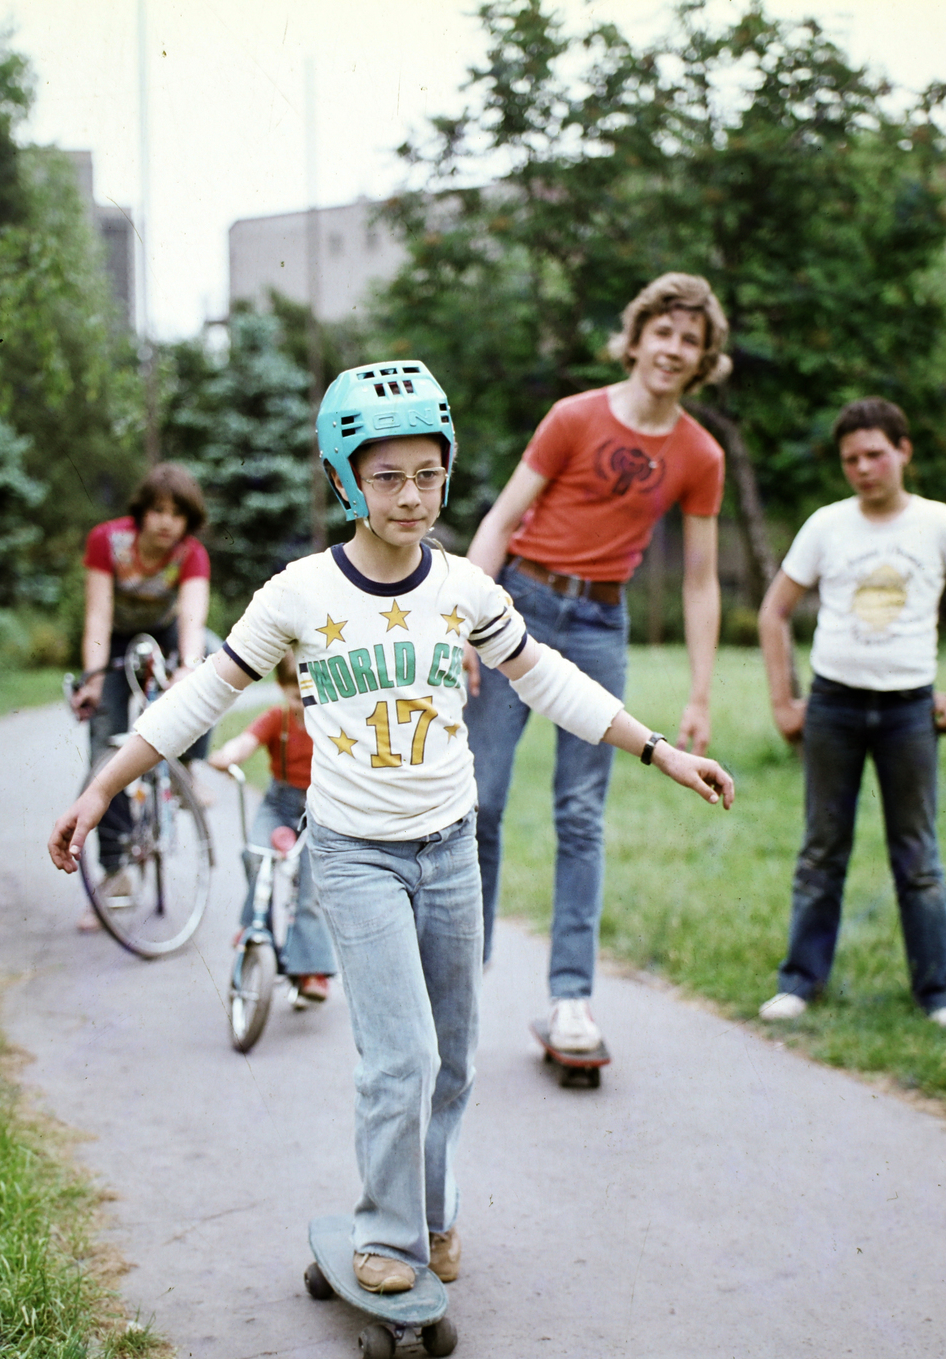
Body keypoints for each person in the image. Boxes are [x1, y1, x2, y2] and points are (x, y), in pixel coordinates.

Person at [48, 361, 734, 1295]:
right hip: (355, 854)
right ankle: (383, 1228)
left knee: (452, 1058)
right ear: (345, 481)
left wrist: (657, 748)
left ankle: (435, 1216)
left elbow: (549, 680)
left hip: (451, 852)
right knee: (399, 1057)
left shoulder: (464, 588)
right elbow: (203, 690)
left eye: (428, 474)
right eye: (387, 477)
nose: (412, 497)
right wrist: (103, 786)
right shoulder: (299, 595)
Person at [464, 272, 731, 1056]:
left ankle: (571, 1002)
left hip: (599, 623)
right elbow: (502, 517)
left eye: (691, 340)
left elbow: (701, 580)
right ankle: (462, 984)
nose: (673, 350)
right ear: (638, 336)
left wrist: (702, 692)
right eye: (664, 332)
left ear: (702, 357)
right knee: (480, 800)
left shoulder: (699, 454)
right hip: (519, 605)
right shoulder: (573, 416)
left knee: (581, 815)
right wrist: (465, 624)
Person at [756, 397, 946, 1030]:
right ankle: (800, 982)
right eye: (851, 459)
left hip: (908, 711)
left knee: (917, 857)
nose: (864, 468)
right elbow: (774, 611)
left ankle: (940, 996)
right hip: (834, 705)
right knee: (821, 850)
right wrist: (784, 702)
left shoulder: (939, 524)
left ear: (903, 451)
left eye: (875, 454)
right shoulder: (827, 525)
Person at [71, 462, 213, 930]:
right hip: (115, 638)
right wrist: (93, 677)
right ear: (142, 512)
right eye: (157, 510)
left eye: (177, 513)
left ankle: (188, 764)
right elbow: (98, 613)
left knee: (211, 656)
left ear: (188, 520)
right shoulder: (107, 542)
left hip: (166, 633)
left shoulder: (191, 554)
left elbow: (192, 615)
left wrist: (188, 667)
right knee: (104, 752)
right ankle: (115, 873)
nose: (166, 521)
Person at [207, 652, 336, 1005]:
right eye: (296, 695)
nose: (304, 704)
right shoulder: (276, 720)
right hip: (278, 804)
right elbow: (245, 741)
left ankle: (312, 970)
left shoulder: (331, 722)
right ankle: (254, 926)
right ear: (282, 688)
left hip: (319, 809)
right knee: (255, 853)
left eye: (311, 695)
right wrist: (228, 756)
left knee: (309, 891)